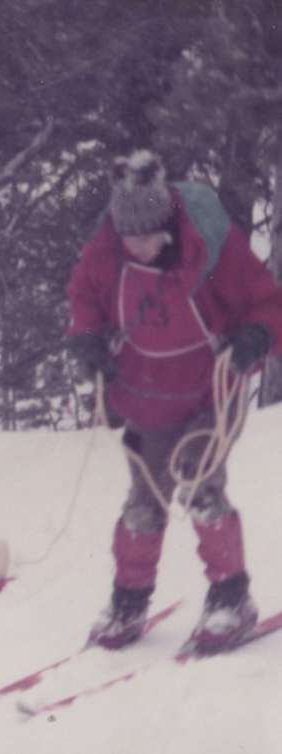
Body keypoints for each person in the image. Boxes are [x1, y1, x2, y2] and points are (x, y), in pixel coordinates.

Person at [65, 150, 282, 653]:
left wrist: (254, 336)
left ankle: (231, 598)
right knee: (144, 500)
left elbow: (266, 300)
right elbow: (84, 297)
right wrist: (85, 339)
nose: (135, 247)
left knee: (201, 486)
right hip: (145, 390)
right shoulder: (109, 249)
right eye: (127, 238)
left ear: (165, 226)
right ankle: (129, 600)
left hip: (209, 389)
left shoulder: (210, 248)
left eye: (145, 237)